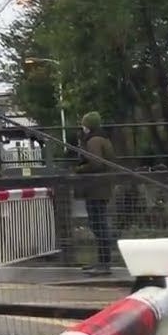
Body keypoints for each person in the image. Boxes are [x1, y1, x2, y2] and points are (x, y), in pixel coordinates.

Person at [73, 111, 118, 275]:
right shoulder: (103, 138)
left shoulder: (93, 141)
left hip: (95, 188)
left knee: (98, 224)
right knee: (99, 223)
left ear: (88, 125)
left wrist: (78, 169)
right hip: (101, 187)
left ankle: (104, 263)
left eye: (84, 124)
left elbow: (96, 163)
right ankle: (103, 262)